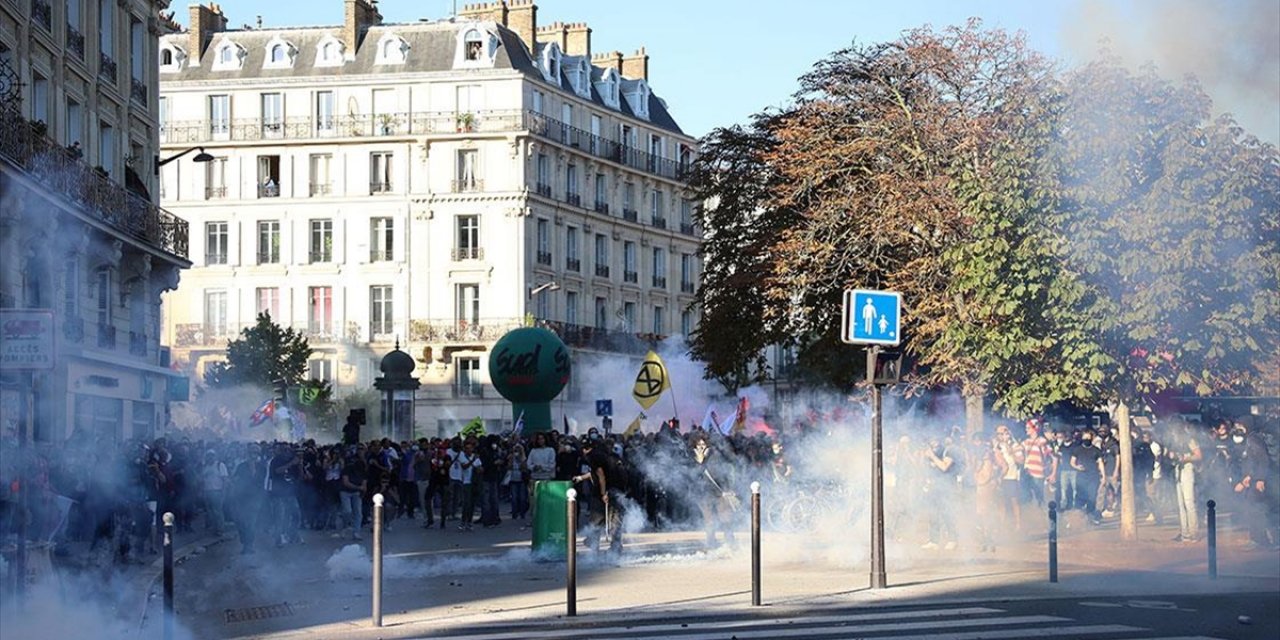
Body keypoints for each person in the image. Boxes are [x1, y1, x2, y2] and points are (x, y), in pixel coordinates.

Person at [577, 437, 628, 553]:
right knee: (615, 520)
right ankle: (615, 547)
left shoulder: (594, 456)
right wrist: (581, 478)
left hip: (604, 491)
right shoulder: (613, 457)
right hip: (617, 491)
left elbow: (601, 475)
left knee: (598, 518)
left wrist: (603, 493)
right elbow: (595, 473)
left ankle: (594, 544)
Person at [921, 436, 958, 550]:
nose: (933, 444)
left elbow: (944, 467)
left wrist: (932, 456)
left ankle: (952, 540)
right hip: (934, 487)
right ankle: (934, 541)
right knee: (933, 514)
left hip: (946, 488)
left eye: (935, 441)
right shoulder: (932, 453)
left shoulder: (948, 451)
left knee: (947, 513)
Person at [1169, 426, 1202, 543]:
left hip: (1187, 469)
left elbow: (1198, 455)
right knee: (1181, 504)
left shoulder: (1189, 440)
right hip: (1178, 470)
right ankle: (1185, 533)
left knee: (1189, 502)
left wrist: (1185, 458)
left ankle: (1194, 532)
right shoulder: (1174, 442)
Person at [449, 438, 482, 530]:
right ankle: (463, 521)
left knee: (472, 503)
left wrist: (478, 469)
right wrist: (472, 461)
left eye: (470, 448)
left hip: (474, 482)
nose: (468, 450)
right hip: (465, 482)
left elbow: (480, 468)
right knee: (466, 503)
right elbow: (464, 466)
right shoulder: (462, 456)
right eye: (466, 448)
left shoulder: (476, 457)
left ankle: (469, 522)